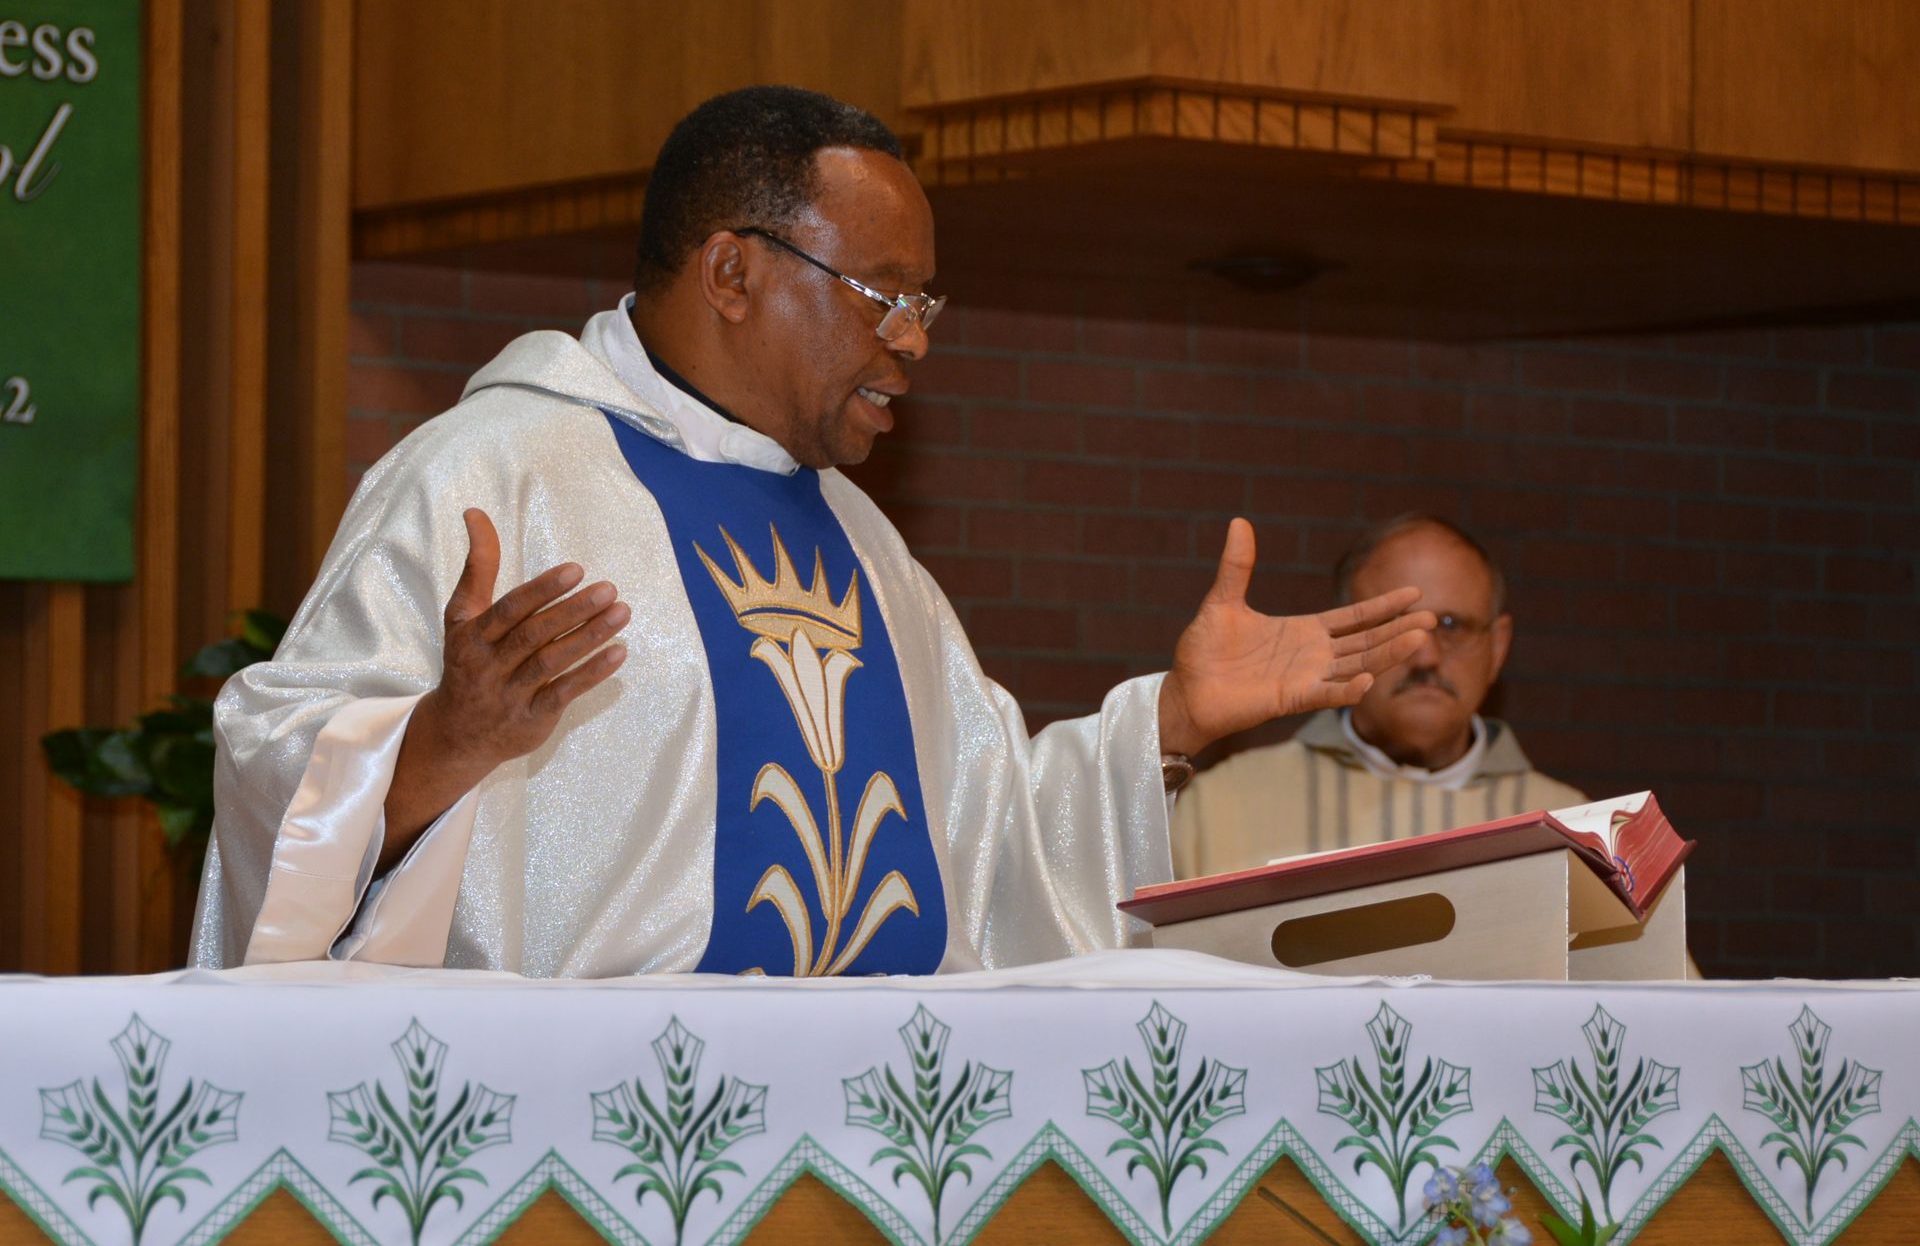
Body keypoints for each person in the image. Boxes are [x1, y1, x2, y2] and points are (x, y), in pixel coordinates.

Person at [189, 87, 1430, 978]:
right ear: (732, 271)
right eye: (885, 294)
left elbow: (981, 832)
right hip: (581, 1130)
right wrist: (436, 743)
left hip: (863, 1124)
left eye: (926, 301)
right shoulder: (492, 473)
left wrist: (1170, 723)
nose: (915, 340)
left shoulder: (861, 541)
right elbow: (268, 769)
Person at [1172, 514, 1587, 879]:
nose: (1425, 656)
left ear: (1497, 648)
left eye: (1451, 625)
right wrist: (1177, 719)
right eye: (1394, 625)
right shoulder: (1221, 806)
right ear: (1344, 636)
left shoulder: (1574, 829)